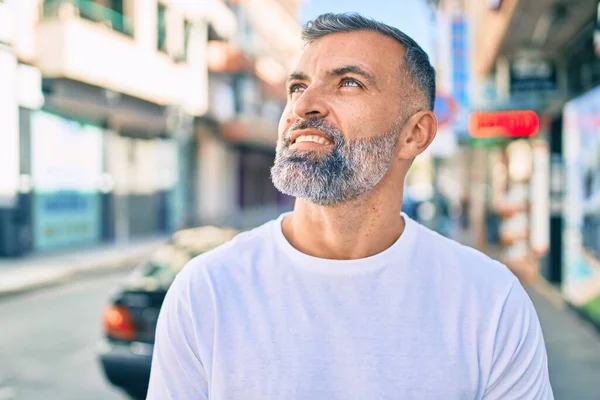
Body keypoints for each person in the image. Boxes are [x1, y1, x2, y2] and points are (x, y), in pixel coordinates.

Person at [147, 13, 553, 400]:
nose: (304, 106)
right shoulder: (206, 291)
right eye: (296, 87)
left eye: (348, 83)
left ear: (414, 134)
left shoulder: (490, 301)